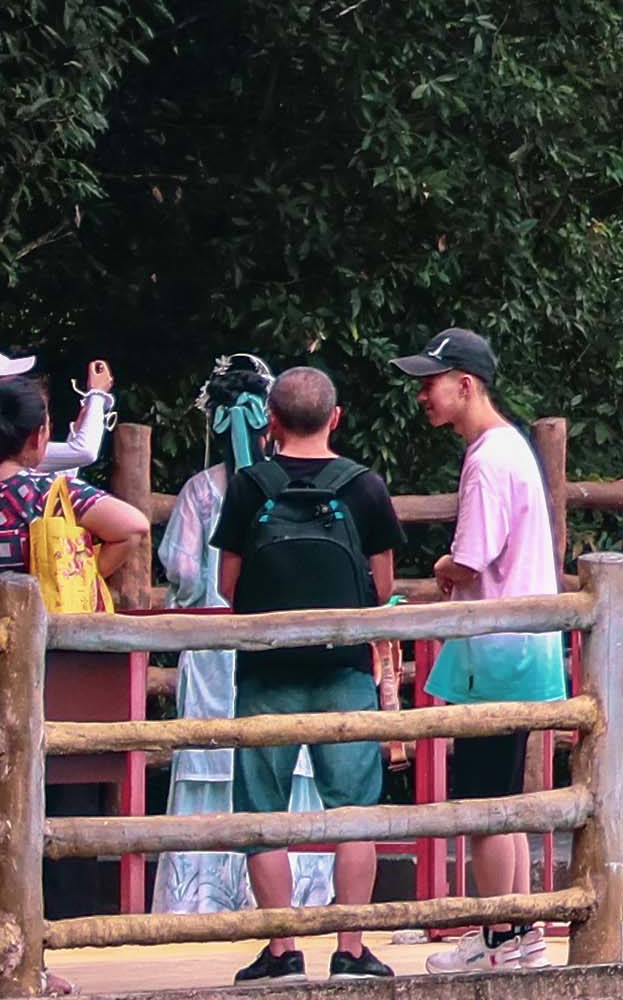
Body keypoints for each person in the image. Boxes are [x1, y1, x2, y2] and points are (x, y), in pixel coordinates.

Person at [211, 365, 403, 980]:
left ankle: (281, 951)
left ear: (270, 420)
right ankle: (350, 949)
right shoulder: (365, 487)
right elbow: (384, 586)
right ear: (335, 417)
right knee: (354, 813)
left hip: (265, 672)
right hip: (346, 668)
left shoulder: (248, 486)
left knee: (265, 815)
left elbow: (227, 585)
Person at [399, 332, 569, 967]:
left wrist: (443, 562)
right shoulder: (511, 448)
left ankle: (500, 937)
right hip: (522, 646)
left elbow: (471, 558)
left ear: (464, 384)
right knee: (504, 797)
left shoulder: (487, 458)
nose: (423, 393)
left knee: (484, 803)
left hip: (495, 649)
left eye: (431, 381)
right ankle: (517, 930)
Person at [155, 359, 278, 925]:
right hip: (277, 643)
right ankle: (288, 900)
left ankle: (197, 900)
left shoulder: (202, 491)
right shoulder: (286, 485)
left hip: (209, 643)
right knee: (280, 762)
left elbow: (179, 567)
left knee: (208, 755)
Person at [0, 369, 151, 604]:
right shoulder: (47, 492)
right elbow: (134, 526)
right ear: (37, 436)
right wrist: (78, 572)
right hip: (37, 632)